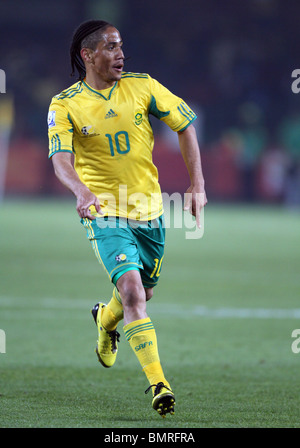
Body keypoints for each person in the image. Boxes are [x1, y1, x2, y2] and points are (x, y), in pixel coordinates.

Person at [47, 19, 207, 417]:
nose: (121, 55)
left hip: (150, 210)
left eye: (121, 47)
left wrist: (196, 185)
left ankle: (105, 320)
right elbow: (61, 161)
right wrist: (82, 191)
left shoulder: (143, 86)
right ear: (88, 55)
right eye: (112, 47)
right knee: (135, 294)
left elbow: (185, 126)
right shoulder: (65, 104)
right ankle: (159, 384)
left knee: (142, 293)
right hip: (104, 213)